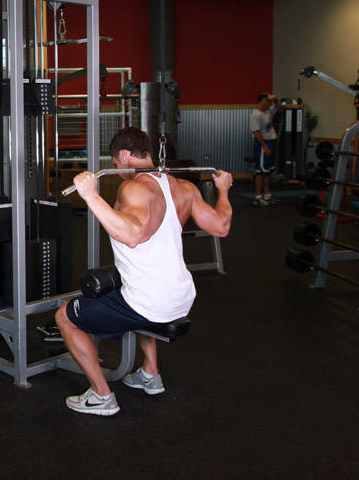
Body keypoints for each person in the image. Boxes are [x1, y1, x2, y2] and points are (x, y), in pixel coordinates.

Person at [54, 127, 233, 416]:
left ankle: (101, 396)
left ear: (124, 155)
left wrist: (91, 196)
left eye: (115, 162)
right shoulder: (184, 188)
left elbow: (132, 235)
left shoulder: (133, 187)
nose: (117, 169)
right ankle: (150, 374)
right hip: (182, 296)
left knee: (65, 317)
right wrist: (223, 190)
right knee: (129, 287)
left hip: (149, 302)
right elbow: (221, 226)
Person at [250, 92, 281, 206]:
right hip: (262, 144)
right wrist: (265, 146)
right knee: (260, 171)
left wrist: (275, 99)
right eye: (268, 101)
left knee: (267, 171)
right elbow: (256, 132)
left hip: (270, 142)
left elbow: (278, 109)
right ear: (263, 101)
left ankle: (267, 195)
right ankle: (258, 197)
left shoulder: (267, 111)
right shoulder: (256, 114)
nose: (270, 103)